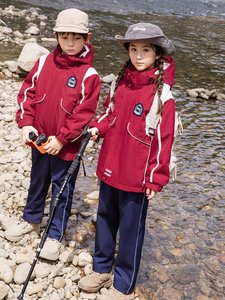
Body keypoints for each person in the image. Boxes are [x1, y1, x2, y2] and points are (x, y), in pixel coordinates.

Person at [78, 22, 176, 299]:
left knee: (131, 231)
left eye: (146, 50)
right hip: (110, 167)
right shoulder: (119, 82)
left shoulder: (163, 97)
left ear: (158, 54)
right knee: (105, 218)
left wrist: (155, 179)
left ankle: (123, 284)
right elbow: (110, 115)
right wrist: (98, 126)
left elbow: (163, 140)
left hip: (137, 177)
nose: (138, 55)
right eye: (134, 49)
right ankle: (100, 267)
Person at [4, 8, 101, 261]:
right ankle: (31, 219)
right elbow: (28, 92)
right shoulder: (44, 61)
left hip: (65, 147)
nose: (70, 43)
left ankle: (56, 235)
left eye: (77, 38)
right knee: (37, 180)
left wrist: (62, 138)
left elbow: (84, 114)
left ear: (87, 38)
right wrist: (26, 124)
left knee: (62, 188)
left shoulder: (90, 76)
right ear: (56, 35)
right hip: (40, 140)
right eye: (65, 36)